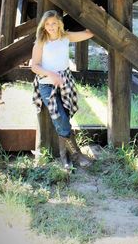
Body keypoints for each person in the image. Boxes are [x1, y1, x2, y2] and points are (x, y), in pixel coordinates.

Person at [31, 10, 94, 170]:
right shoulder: (41, 41)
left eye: (53, 23)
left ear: (59, 23)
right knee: (59, 117)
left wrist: (94, 13)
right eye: (47, 24)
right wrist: (51, 74)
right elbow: (34, 66)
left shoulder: (66, 37)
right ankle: (74, 155)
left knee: (64, 118)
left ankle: (65, 156)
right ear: (43, 26)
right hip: (46, 84)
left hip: (65, 82)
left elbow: (89, 33)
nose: (51, 27)